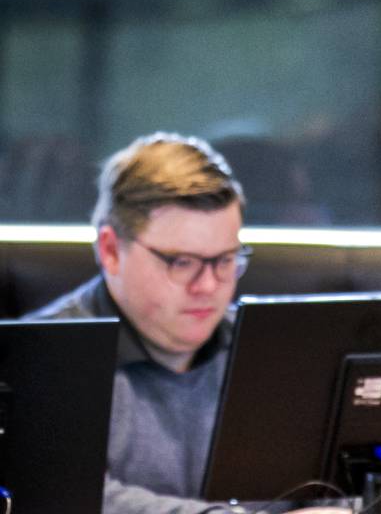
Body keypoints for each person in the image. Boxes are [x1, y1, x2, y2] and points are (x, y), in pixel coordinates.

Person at [26, 132, 254, 514]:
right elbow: (70, 500)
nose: (209, 286)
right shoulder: (42, 359)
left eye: (226, 260)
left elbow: (325, 485)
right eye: (182, 263)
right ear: (111, 251)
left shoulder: (267, 349)